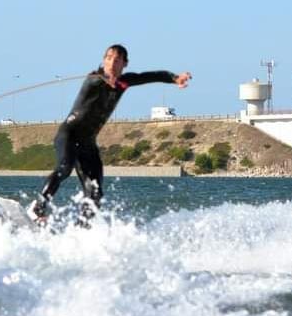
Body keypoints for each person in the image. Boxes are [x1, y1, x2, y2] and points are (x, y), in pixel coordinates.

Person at [29, 44, 191, 224]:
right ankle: (37, 208)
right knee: (64, 168)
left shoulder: (125, 81)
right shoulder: (94, 78)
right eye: (108, 58)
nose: (112, 62)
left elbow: (151, 76)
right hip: (69, 134)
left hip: (87, 143)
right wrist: (105, 80)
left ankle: (82, 227)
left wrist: (175, 78)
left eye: (117, 59)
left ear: (124, 63)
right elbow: (95, 81)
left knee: (95, 192)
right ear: (103, 61)